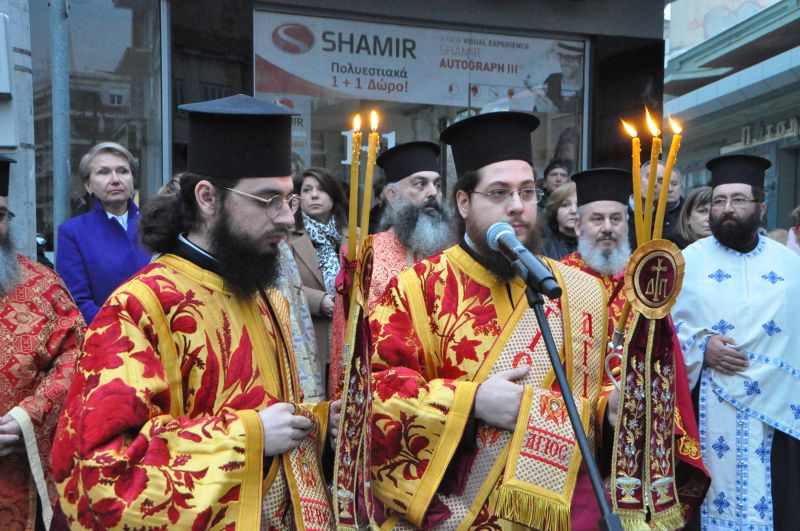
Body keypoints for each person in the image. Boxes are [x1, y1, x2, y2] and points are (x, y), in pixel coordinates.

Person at [52, 94, 340, 529]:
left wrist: (318, 421)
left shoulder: (268, 297)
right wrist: (248, 437)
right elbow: (99, 473)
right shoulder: (139, 307)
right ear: (207, 197)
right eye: (268, 200)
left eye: (290, 199)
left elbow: (271, 415)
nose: (286, 218)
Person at [363, 112, 619, 529]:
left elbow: (594, 390)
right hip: (455, 517)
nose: (517, 206)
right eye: (499, 192)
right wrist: (470, 403)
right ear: (463, 202)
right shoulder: (417, 289)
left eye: (527, 191)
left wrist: (611, 409)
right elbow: (375, 397)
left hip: (561, 515)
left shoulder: (579, 290)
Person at [672, 154, 800, 529]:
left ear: (761, 208)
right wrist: (702, 348)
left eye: (739, 200)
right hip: (705, 410)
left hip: (775, 417)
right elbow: (660, 333)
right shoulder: (686, 262)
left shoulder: (789, 266)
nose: (727, 209)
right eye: (719, 200)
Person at [327, 141, 453, 397]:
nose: (433, 193)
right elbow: (347, 340)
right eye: (420, 184)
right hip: (388, 397)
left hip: (452, 397)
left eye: (437, 185)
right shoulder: (368, 255)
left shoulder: (454, 254)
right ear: (392, 196)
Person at [0, 155, 84, 531]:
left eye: (1, 216)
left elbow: (77, 356)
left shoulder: (43, 285)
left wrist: (27, 418)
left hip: (22, 474)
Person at [56, 142, 152, 324]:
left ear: (132, 179)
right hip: (107, 339)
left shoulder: (154, 225)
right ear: (88, 185)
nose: (115, 179)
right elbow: (77, 301)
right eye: (103, 172)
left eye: (123, 171)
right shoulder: (73, 232)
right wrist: (125, 327)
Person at [289, 167, 349, 371]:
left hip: (348, 337)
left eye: (321, 189)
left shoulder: (357, 236)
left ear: (333, 195)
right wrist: (319, 300)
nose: (314, 195)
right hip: (309, 338)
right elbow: (280, 284)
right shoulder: (286, 237)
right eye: (307, 190)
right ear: (298, 198)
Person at [561, 169, 633, 336]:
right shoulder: (559, 278)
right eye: (597, 219)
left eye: (615, 219)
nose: (607, 228)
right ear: (578, 226)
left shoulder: (642, 278)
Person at [628, 160, 687, 249]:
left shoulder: (668, 222)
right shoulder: (618, 210)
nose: (654, 183)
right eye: (649, 177)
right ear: (636, 179)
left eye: (660, 181)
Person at [541, 181, 577, 260]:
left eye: (579, 205)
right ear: (554, 210)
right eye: (565, 205)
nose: (574, 210)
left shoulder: (599, 247)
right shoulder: (541, 250)